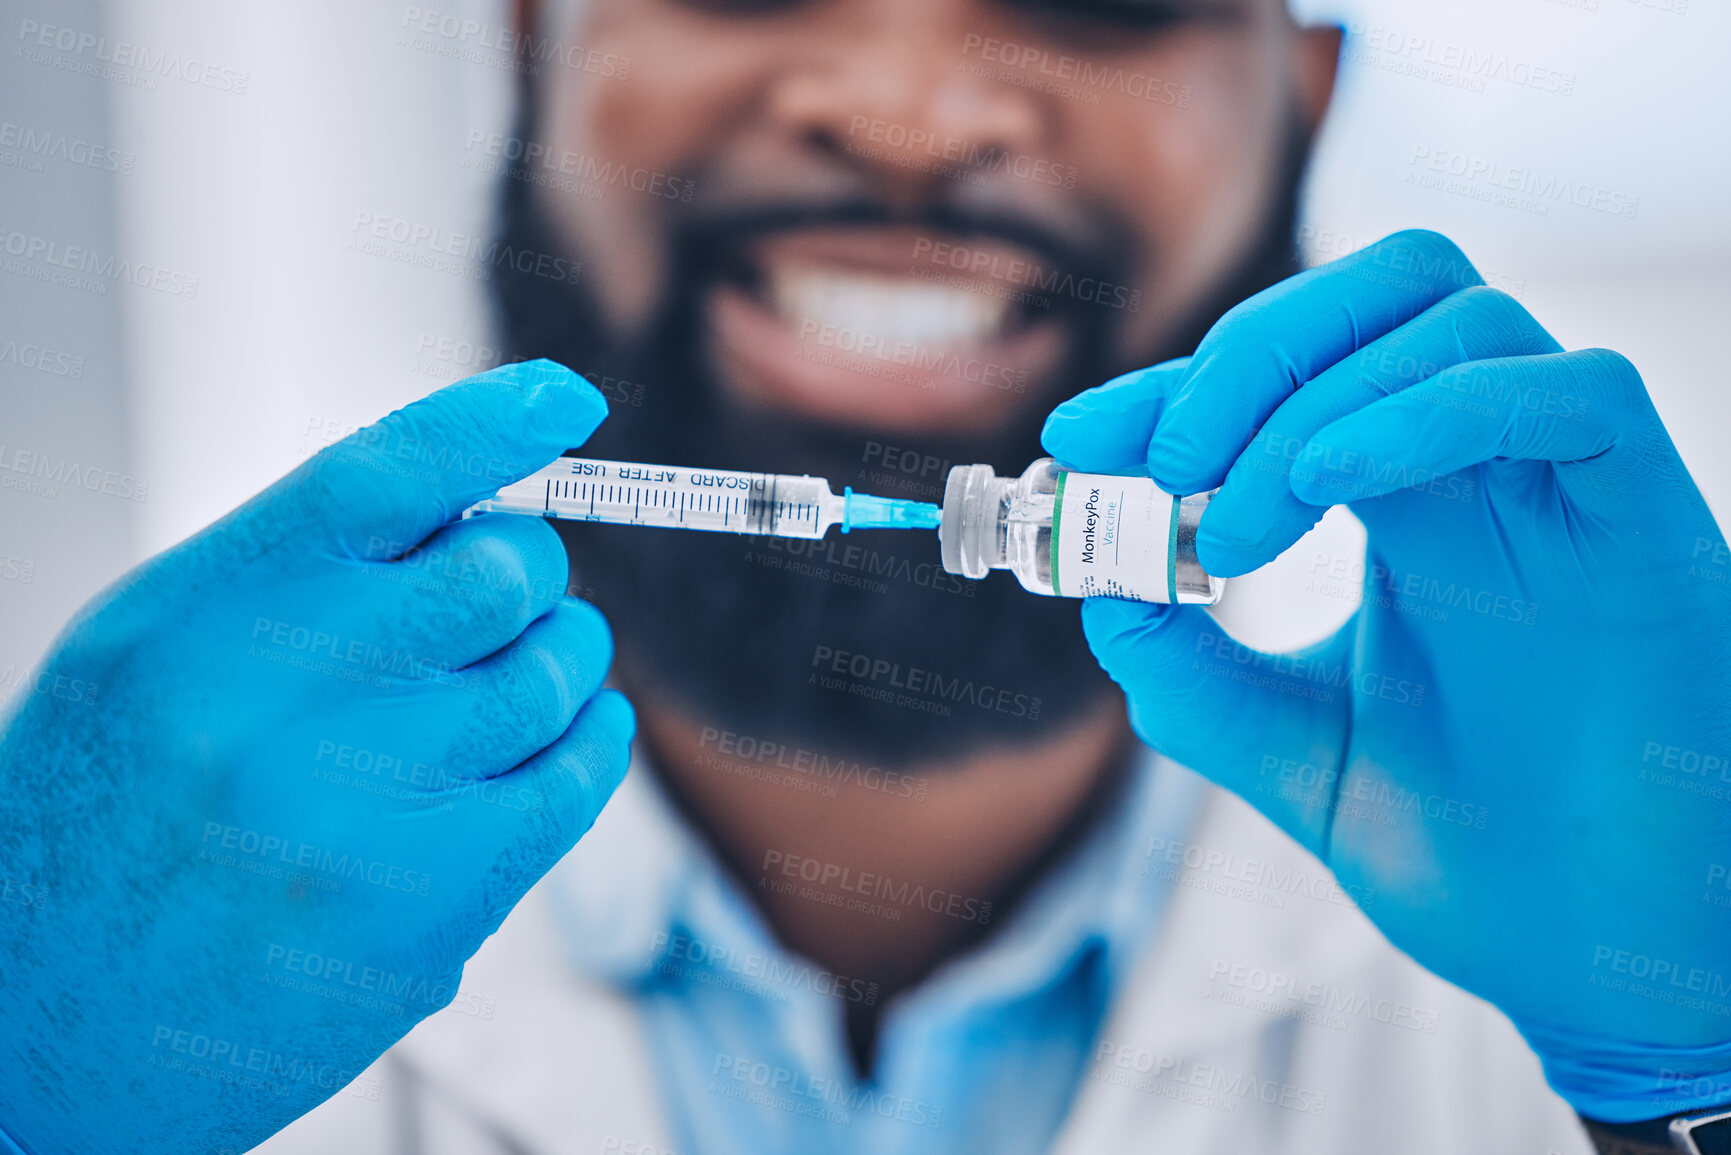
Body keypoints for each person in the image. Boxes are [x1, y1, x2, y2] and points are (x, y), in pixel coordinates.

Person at [1, 1, 1727, 1153]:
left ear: (1303, 87)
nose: (903, 114)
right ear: (531, 33)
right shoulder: (120, 933)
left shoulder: (1583, 965)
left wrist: (1695, 1072)